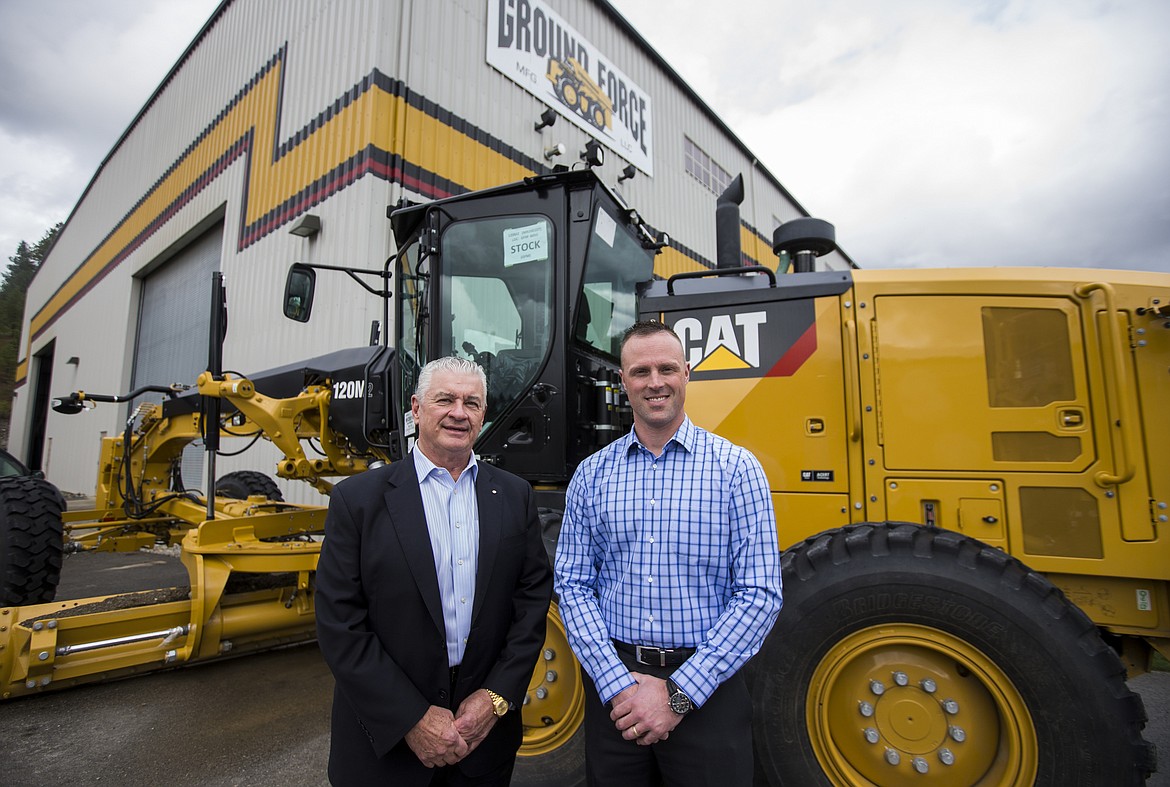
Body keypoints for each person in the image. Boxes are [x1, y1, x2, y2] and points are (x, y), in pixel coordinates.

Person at [554, 321, 783, 786]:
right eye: (640, 371)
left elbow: (759, 593)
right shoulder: (591, 476)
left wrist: (680, 693)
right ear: (623, 382)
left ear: (687, 373)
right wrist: (616, 683)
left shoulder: (738, 470)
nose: (654, 382)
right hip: (617, 697)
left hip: (708, 694)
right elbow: (573, 585)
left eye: (666, 368)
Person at [316, 356, 553, 786]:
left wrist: (496, 698)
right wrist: (411, 719)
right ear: (416, 408)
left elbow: (531, 603)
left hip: (483, 747)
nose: (459, 412)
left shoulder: (514, 495)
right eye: (445, 399)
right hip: (384, 752)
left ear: (483, 414)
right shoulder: (358, 501)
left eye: (472, 402)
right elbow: (340, 624)